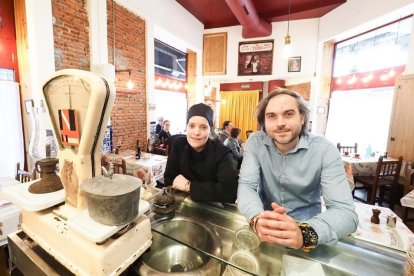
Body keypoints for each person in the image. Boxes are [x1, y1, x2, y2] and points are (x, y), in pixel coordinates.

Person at [237, 89, 358, 251]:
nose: (280, 123)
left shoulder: (325, 150)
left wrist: (305, 232)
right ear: (264, 123)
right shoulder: (255, 142)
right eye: (271, 116)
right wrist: (256, 219)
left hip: (308, 232)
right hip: (266, 232)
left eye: (288, 114)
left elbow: (346, 213)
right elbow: (246, 185)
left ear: (302, 118)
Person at [164, 103, 238, 203]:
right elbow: (169, 179)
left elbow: (230, 191)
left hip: (211, 210)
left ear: (210, 130)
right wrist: (210, 190)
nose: (196, 132)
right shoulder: (179, 145)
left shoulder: (221, 152)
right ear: (187, 127)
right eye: (192, 126)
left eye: (203, 127)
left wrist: (188, 186)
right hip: (180, 205)